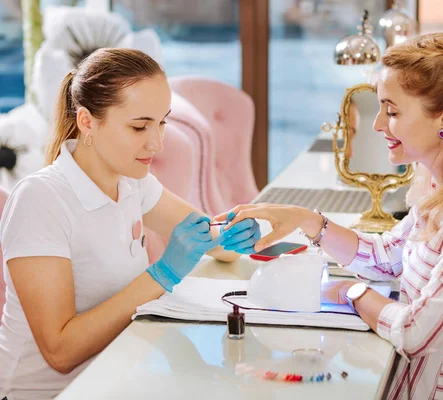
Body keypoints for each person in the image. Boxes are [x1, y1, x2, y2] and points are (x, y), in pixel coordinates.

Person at [216, 33, 443, 399]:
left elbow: (415, 332)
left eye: (392, 112)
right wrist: (305, 219)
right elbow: (386, 256)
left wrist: (351, 292)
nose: (378, 124)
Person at [0, 48, 260, 400]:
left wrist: (232, 234)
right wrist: (163, 274)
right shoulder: (40, 200)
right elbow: (60, 352)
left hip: (119, 374)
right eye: (140, 126)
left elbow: (211, 239)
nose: (157, 142)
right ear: (88, 122)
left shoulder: (132, 182)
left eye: (162, 121)